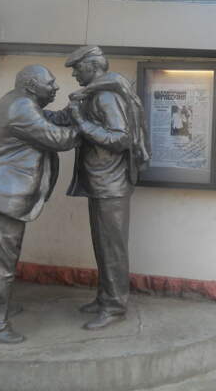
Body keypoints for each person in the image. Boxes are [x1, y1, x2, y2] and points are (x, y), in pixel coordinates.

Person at [0, 65, 79, 343]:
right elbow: (58, 138)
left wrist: (75, 109)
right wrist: (88, 125)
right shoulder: (21, 108)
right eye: (50, 83)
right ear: (31, 86)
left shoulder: (19, 102)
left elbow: (53, 120)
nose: (56, 87)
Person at [62, 46, 150, 330]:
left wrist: (81, 122)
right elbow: (67, 117)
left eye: (77, 68)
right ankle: (105, 298)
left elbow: (120, 138)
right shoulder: (92, 94)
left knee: (112, 249)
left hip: (111, 185)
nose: (74, 74)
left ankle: (114, 306)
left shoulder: (105, 96)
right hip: (101, 183)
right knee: (103, 246)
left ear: (92, 65)